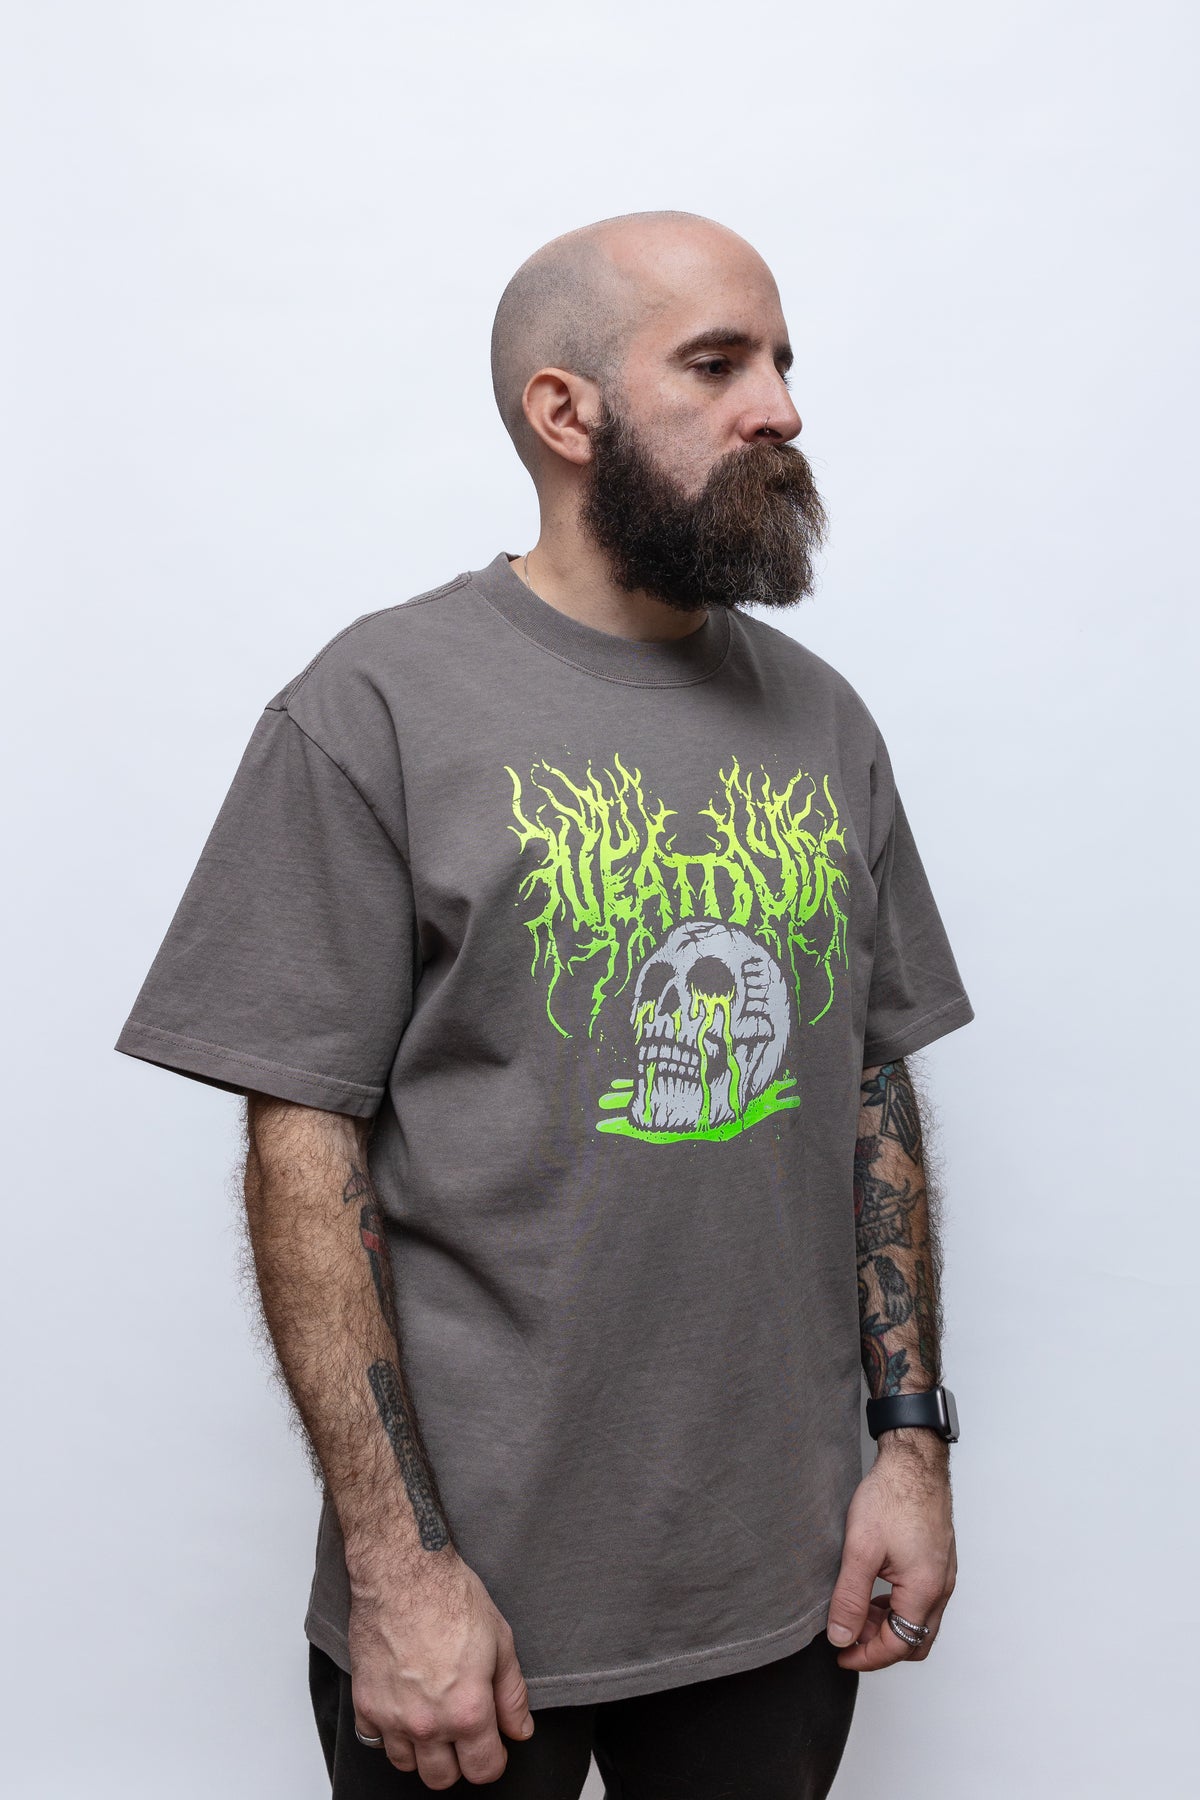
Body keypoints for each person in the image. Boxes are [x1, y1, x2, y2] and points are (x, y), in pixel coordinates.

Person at [115, 210, 974, 1798]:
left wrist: (910, 1449)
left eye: (782, 362)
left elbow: (870, 1089)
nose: (779, 407)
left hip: (780, 1587)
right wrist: (398, 1572)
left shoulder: (824, 722)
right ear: (565, 412)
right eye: (716, 364)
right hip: (472, 1610)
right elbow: (303, 1146)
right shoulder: (374, 708)